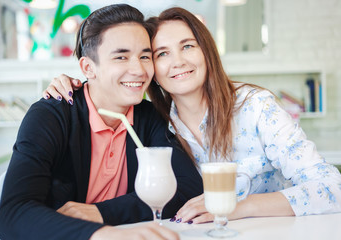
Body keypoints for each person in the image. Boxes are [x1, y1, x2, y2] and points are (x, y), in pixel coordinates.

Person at [44, 7, 341, 225]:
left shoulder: (256, 107)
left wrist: (238, 206)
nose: (178, 62)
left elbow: (332, 189)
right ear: (152, 71)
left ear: (206, 54)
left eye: (187, 46)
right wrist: (78, 86)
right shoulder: (155, 124)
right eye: (161, 54)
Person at [0, 4, 203, 240]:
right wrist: (101, 234)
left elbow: (187, 190)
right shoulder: (51, 116)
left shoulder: (149, 117)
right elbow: (14, 214)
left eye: (145, 56)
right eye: (121, 57)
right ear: (88, 67)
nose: (138, 70)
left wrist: (101, 213)